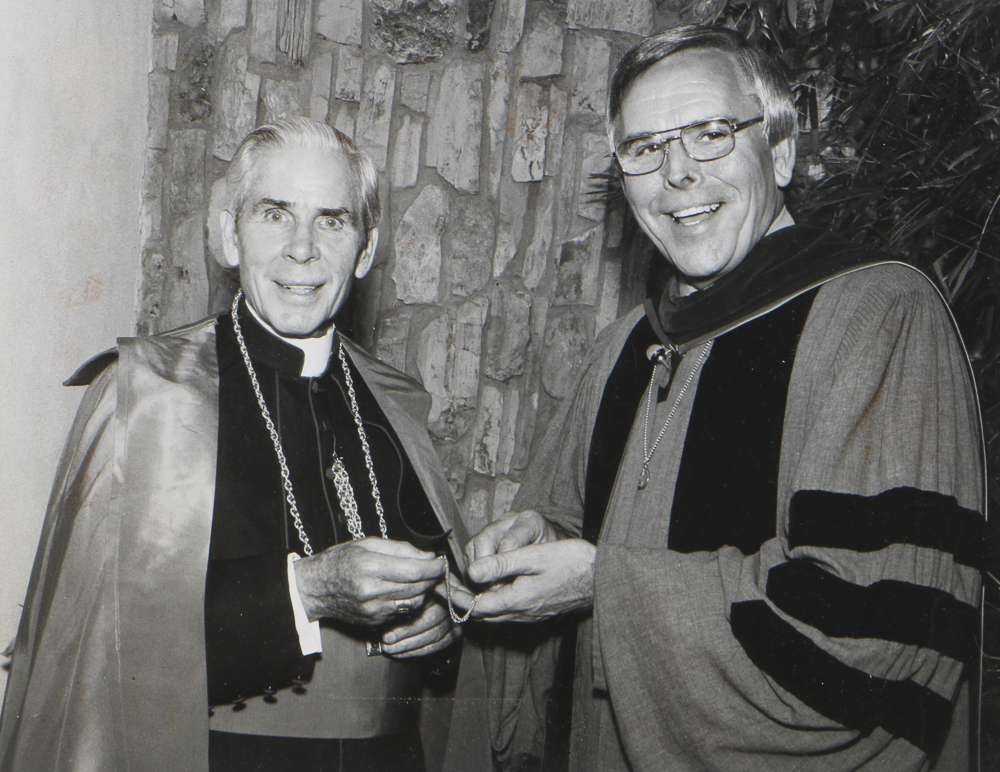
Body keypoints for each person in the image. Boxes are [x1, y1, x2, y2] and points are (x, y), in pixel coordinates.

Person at [451, 26, 985, 772]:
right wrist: (540, 538)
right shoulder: (621, 348)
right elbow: (581, 529)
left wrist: (602, 581)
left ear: (783, 150)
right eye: (644, 149)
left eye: (710, 134)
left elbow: (865, 634)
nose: (677, 174)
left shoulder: (877, 316)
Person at [0, 117, 477, 771]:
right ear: (230, 236)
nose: (302, 250)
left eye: (332, 221)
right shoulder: (146, 396)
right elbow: (108, 652)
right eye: (274, 215)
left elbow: (444, 587)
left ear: (364, 252)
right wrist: (306, 592)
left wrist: (440, 622)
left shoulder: (396, 399)